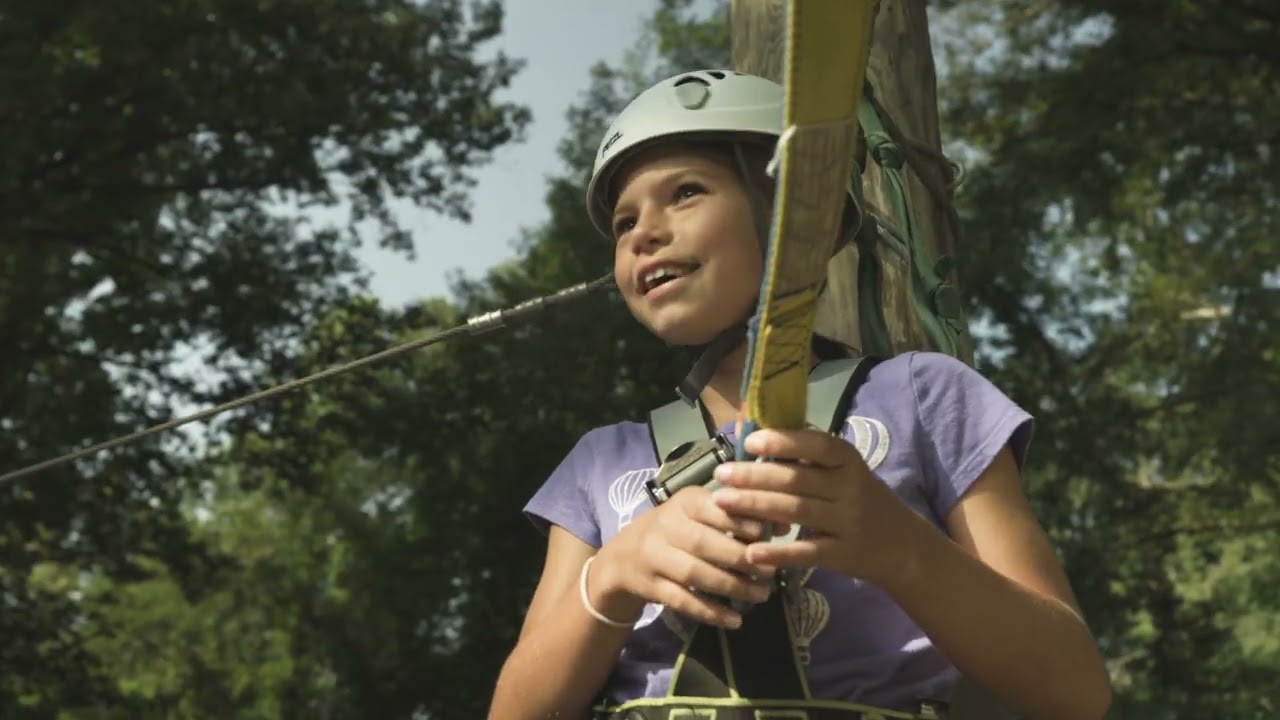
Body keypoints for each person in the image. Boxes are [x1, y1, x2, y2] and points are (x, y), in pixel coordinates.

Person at [488, 70, 1111, 720]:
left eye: (687, 192)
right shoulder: (599, 462)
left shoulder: (924, 396)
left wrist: (900, 547)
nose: (643, 231)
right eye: (624, 221)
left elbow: (1074, 690)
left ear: (798, 221)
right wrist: (612, 576)